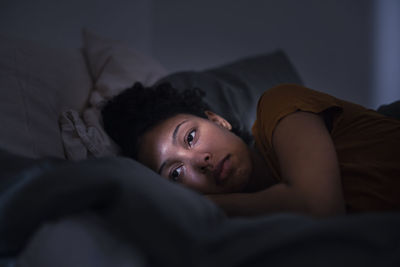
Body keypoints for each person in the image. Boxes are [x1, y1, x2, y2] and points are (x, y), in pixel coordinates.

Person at [101, 82, 400, 217]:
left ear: (218, 120)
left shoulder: (278, 106)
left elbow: (318, 208)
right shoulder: (251, 223)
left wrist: (207, 206)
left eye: (190, 137)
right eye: (176, 172)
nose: (200, 161)